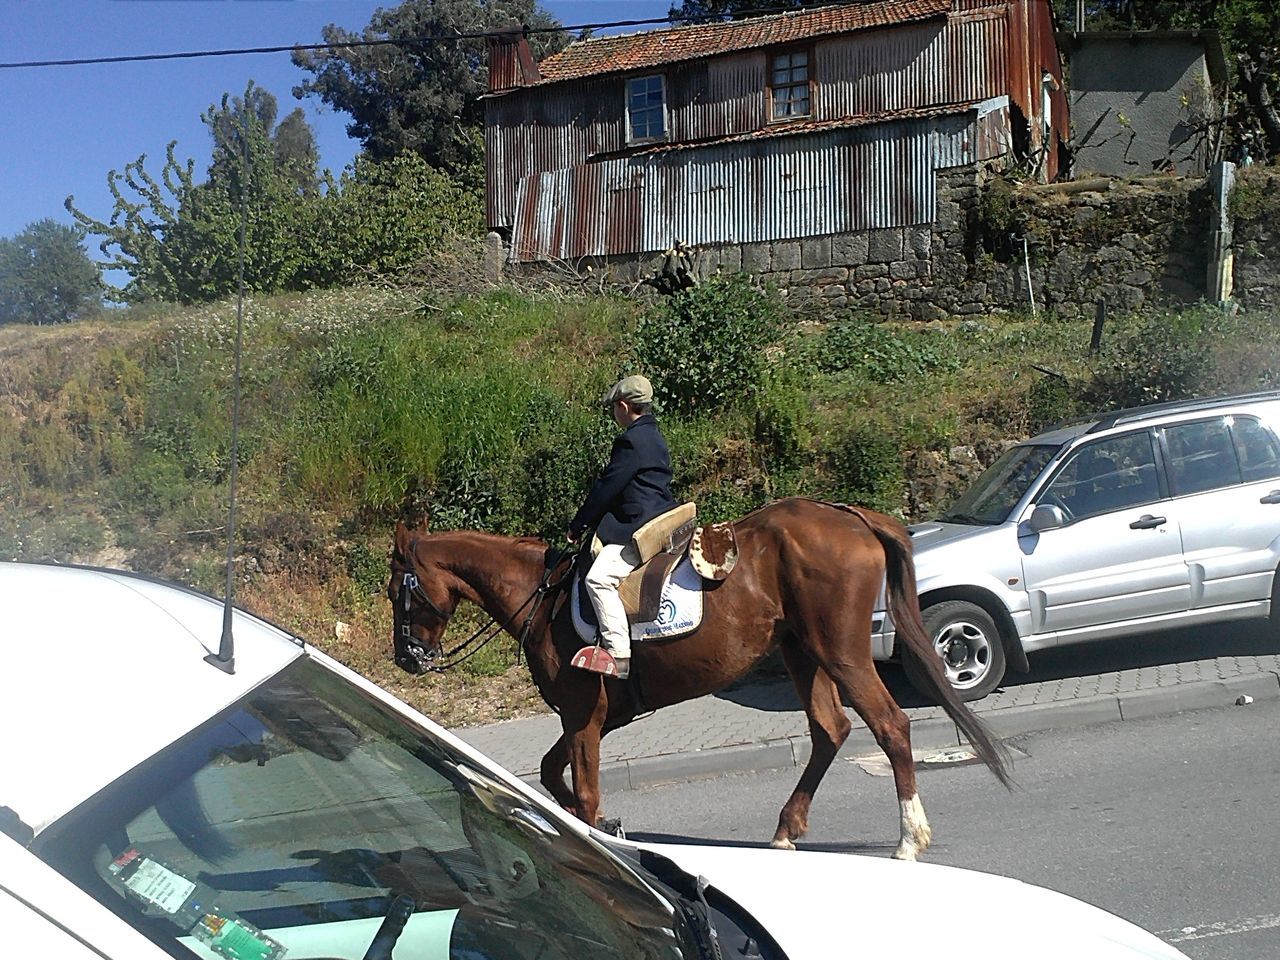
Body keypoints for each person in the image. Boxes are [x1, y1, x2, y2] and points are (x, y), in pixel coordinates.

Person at [567, 375, 676, 679]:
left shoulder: (630, 440)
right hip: (662, 512)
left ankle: (618, 655)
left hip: (640, 522)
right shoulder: (654, 435)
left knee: (597, 579)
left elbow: (607, 487)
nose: (614, 413)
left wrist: (578, 525)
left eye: (614, 408)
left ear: (624, 406)